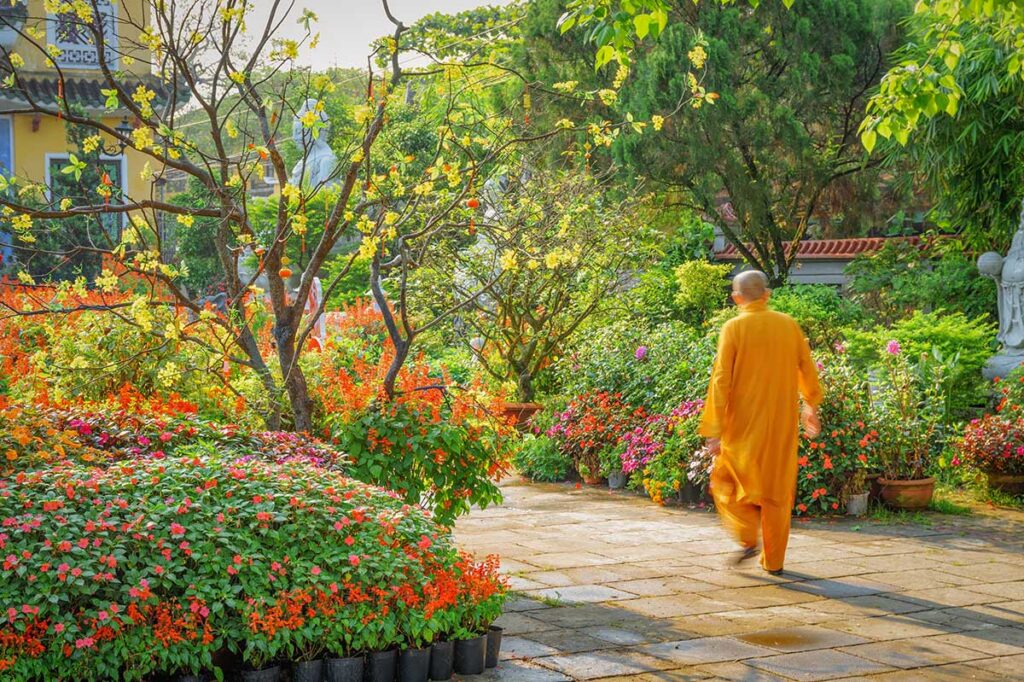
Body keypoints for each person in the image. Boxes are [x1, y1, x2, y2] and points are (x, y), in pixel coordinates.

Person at [699, 270, 822, 575]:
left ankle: (747, 536)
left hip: (742, 425)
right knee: (777, 494)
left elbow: (721, 379)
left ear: (736, 297)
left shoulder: (734, 327)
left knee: (726, 481)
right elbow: (806, 367)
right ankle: (774, 562)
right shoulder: (788, 325)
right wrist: (810, 404)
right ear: (766, 293)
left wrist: (713, 430)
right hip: (781, 425)